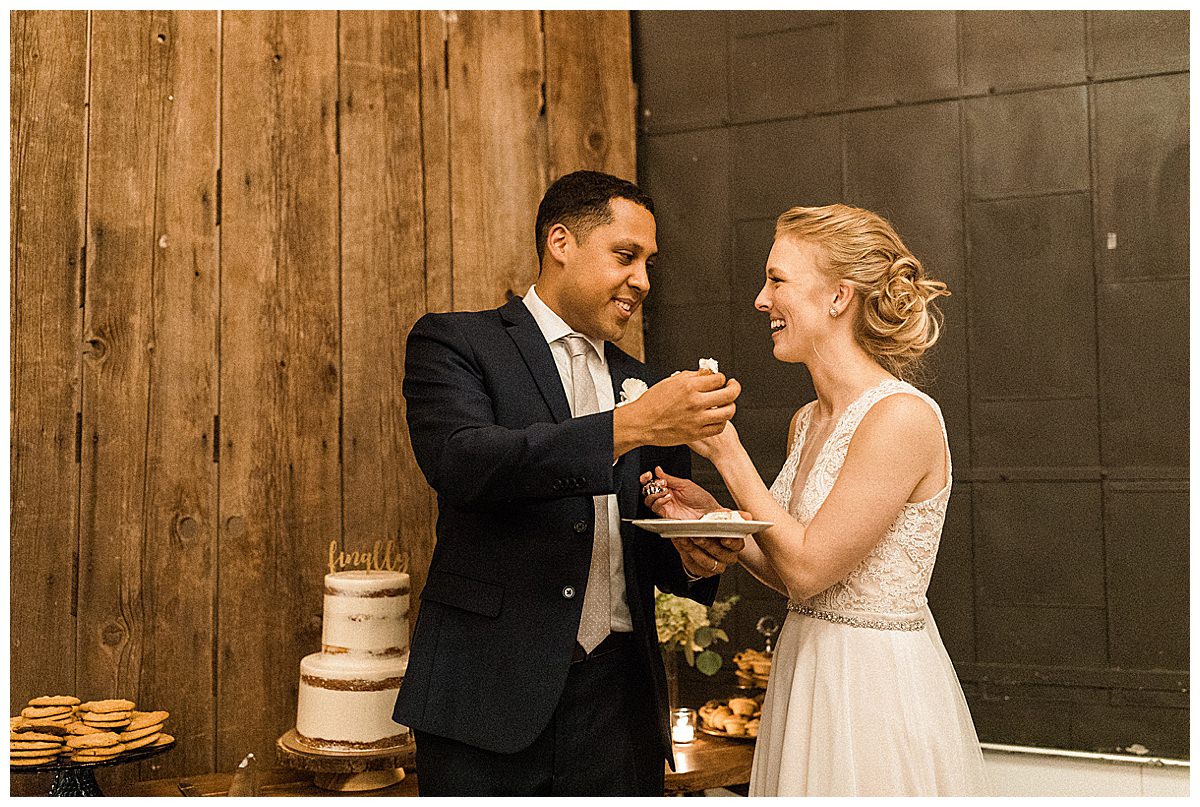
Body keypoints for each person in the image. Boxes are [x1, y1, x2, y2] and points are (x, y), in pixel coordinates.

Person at [395, 170, 744, 796]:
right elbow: (463, 462)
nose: (642, 280)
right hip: (486, 699)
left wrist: (693, 550)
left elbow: (653, 555)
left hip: (620, 706)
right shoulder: (456, 341)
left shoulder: (646, 383)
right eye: (625, 256)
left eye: (647, 262)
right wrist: (629, 424)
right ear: (561, 242)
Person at [642, 204, 989, 795]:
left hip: (870, 691)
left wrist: (725, 452)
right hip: (806, 671)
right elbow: (789, 564)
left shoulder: (900, 417)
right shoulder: (808, 421)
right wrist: (708, 514)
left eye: (777, 280)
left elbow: (807, 570)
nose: (760, 299)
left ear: (838, 297)